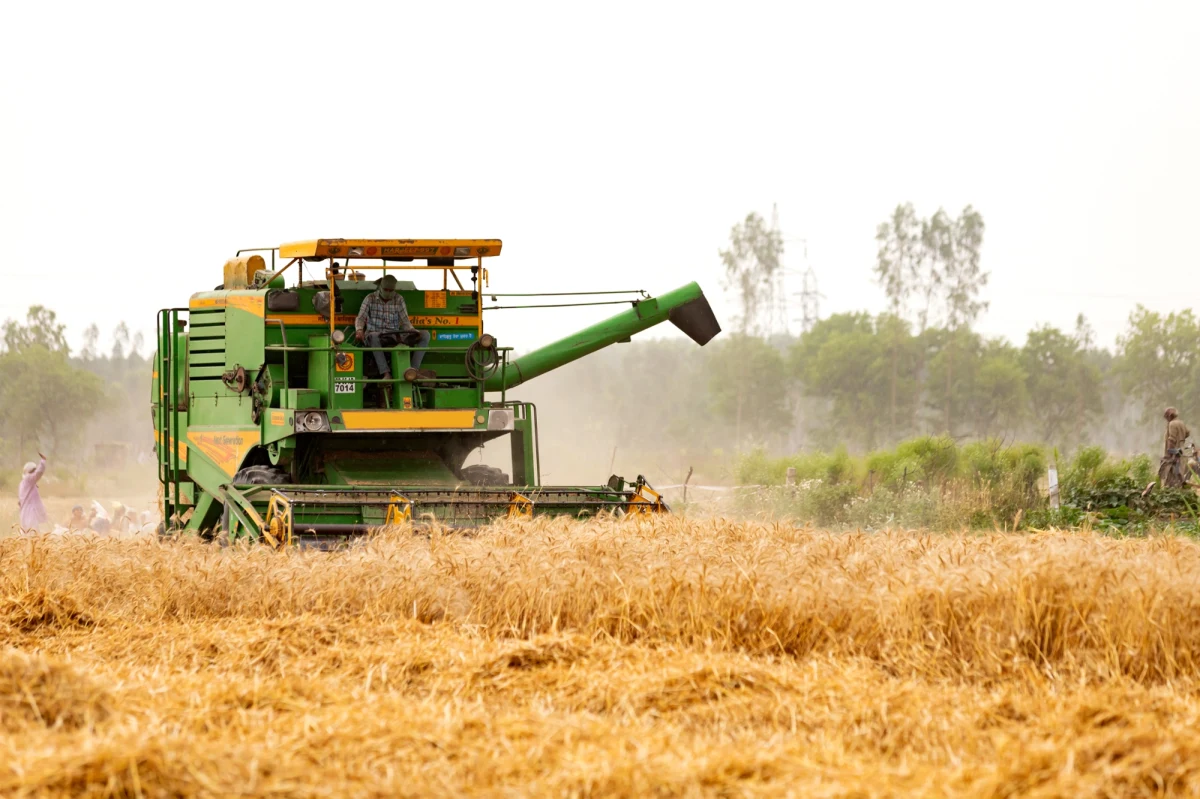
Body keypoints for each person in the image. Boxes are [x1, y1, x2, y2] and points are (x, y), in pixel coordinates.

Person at [354, 275, 434, 382]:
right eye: (386, 290)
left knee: (425, 335)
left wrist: (412, 330)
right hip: (376, 335)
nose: (388, 292)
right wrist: (359, 330)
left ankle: (413, 371)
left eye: (391, 290)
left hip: (394, 335)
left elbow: (405, 321)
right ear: (380, 287)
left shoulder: (399, 299)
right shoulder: (370, 298)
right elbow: (360, 318)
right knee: (373, 336)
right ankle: (386, 373)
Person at [1159, 407, 1193, 488]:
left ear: (1170, 416)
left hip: (1174, 454)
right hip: (1181, 453)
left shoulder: (1172, 424)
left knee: (1171, 479)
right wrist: (1181, 438)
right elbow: (1187, 433)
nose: (1166, 419)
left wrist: (1170, 454)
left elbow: (1171, 440)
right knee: (1179, 476)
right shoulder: (1181, 423)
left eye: (1166, 416)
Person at [17, 453, 48, 534]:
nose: (34, 472)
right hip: (30, 511)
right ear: (28, 471)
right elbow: (39, 473)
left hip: (25, 511)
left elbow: (20, 500)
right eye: (33, 470)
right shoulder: (28, 479)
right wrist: (43, 461)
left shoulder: (24, 482)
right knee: (32, 532)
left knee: (28, 532)